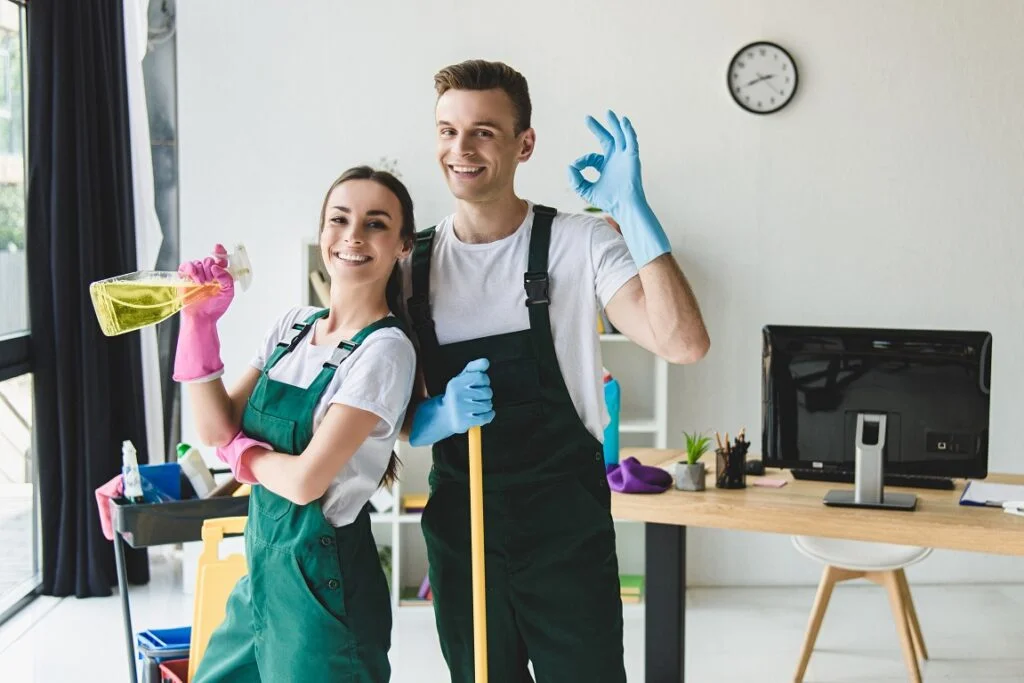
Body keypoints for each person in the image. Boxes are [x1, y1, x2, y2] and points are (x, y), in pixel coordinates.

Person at [401, 60, 710, 682]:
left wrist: (635, 214)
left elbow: (683, 344)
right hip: (464, 533)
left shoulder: (580, 243)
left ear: (525, 144)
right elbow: (396, 417)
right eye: (446, 130)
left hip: (565, 529)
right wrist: (440, 415)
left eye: (484, 131)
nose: (460, 149)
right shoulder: (411, 266)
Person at [176, 166, 417, 682]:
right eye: (340, 219)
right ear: (323, 232)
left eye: (376, 224)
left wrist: (242, 456)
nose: (353, 235)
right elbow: (217, 429)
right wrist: (198, 326)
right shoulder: (292, 327)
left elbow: (307, 481)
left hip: (322, 587)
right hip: (264, 573)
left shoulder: (385, 350)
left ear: (402, 245)